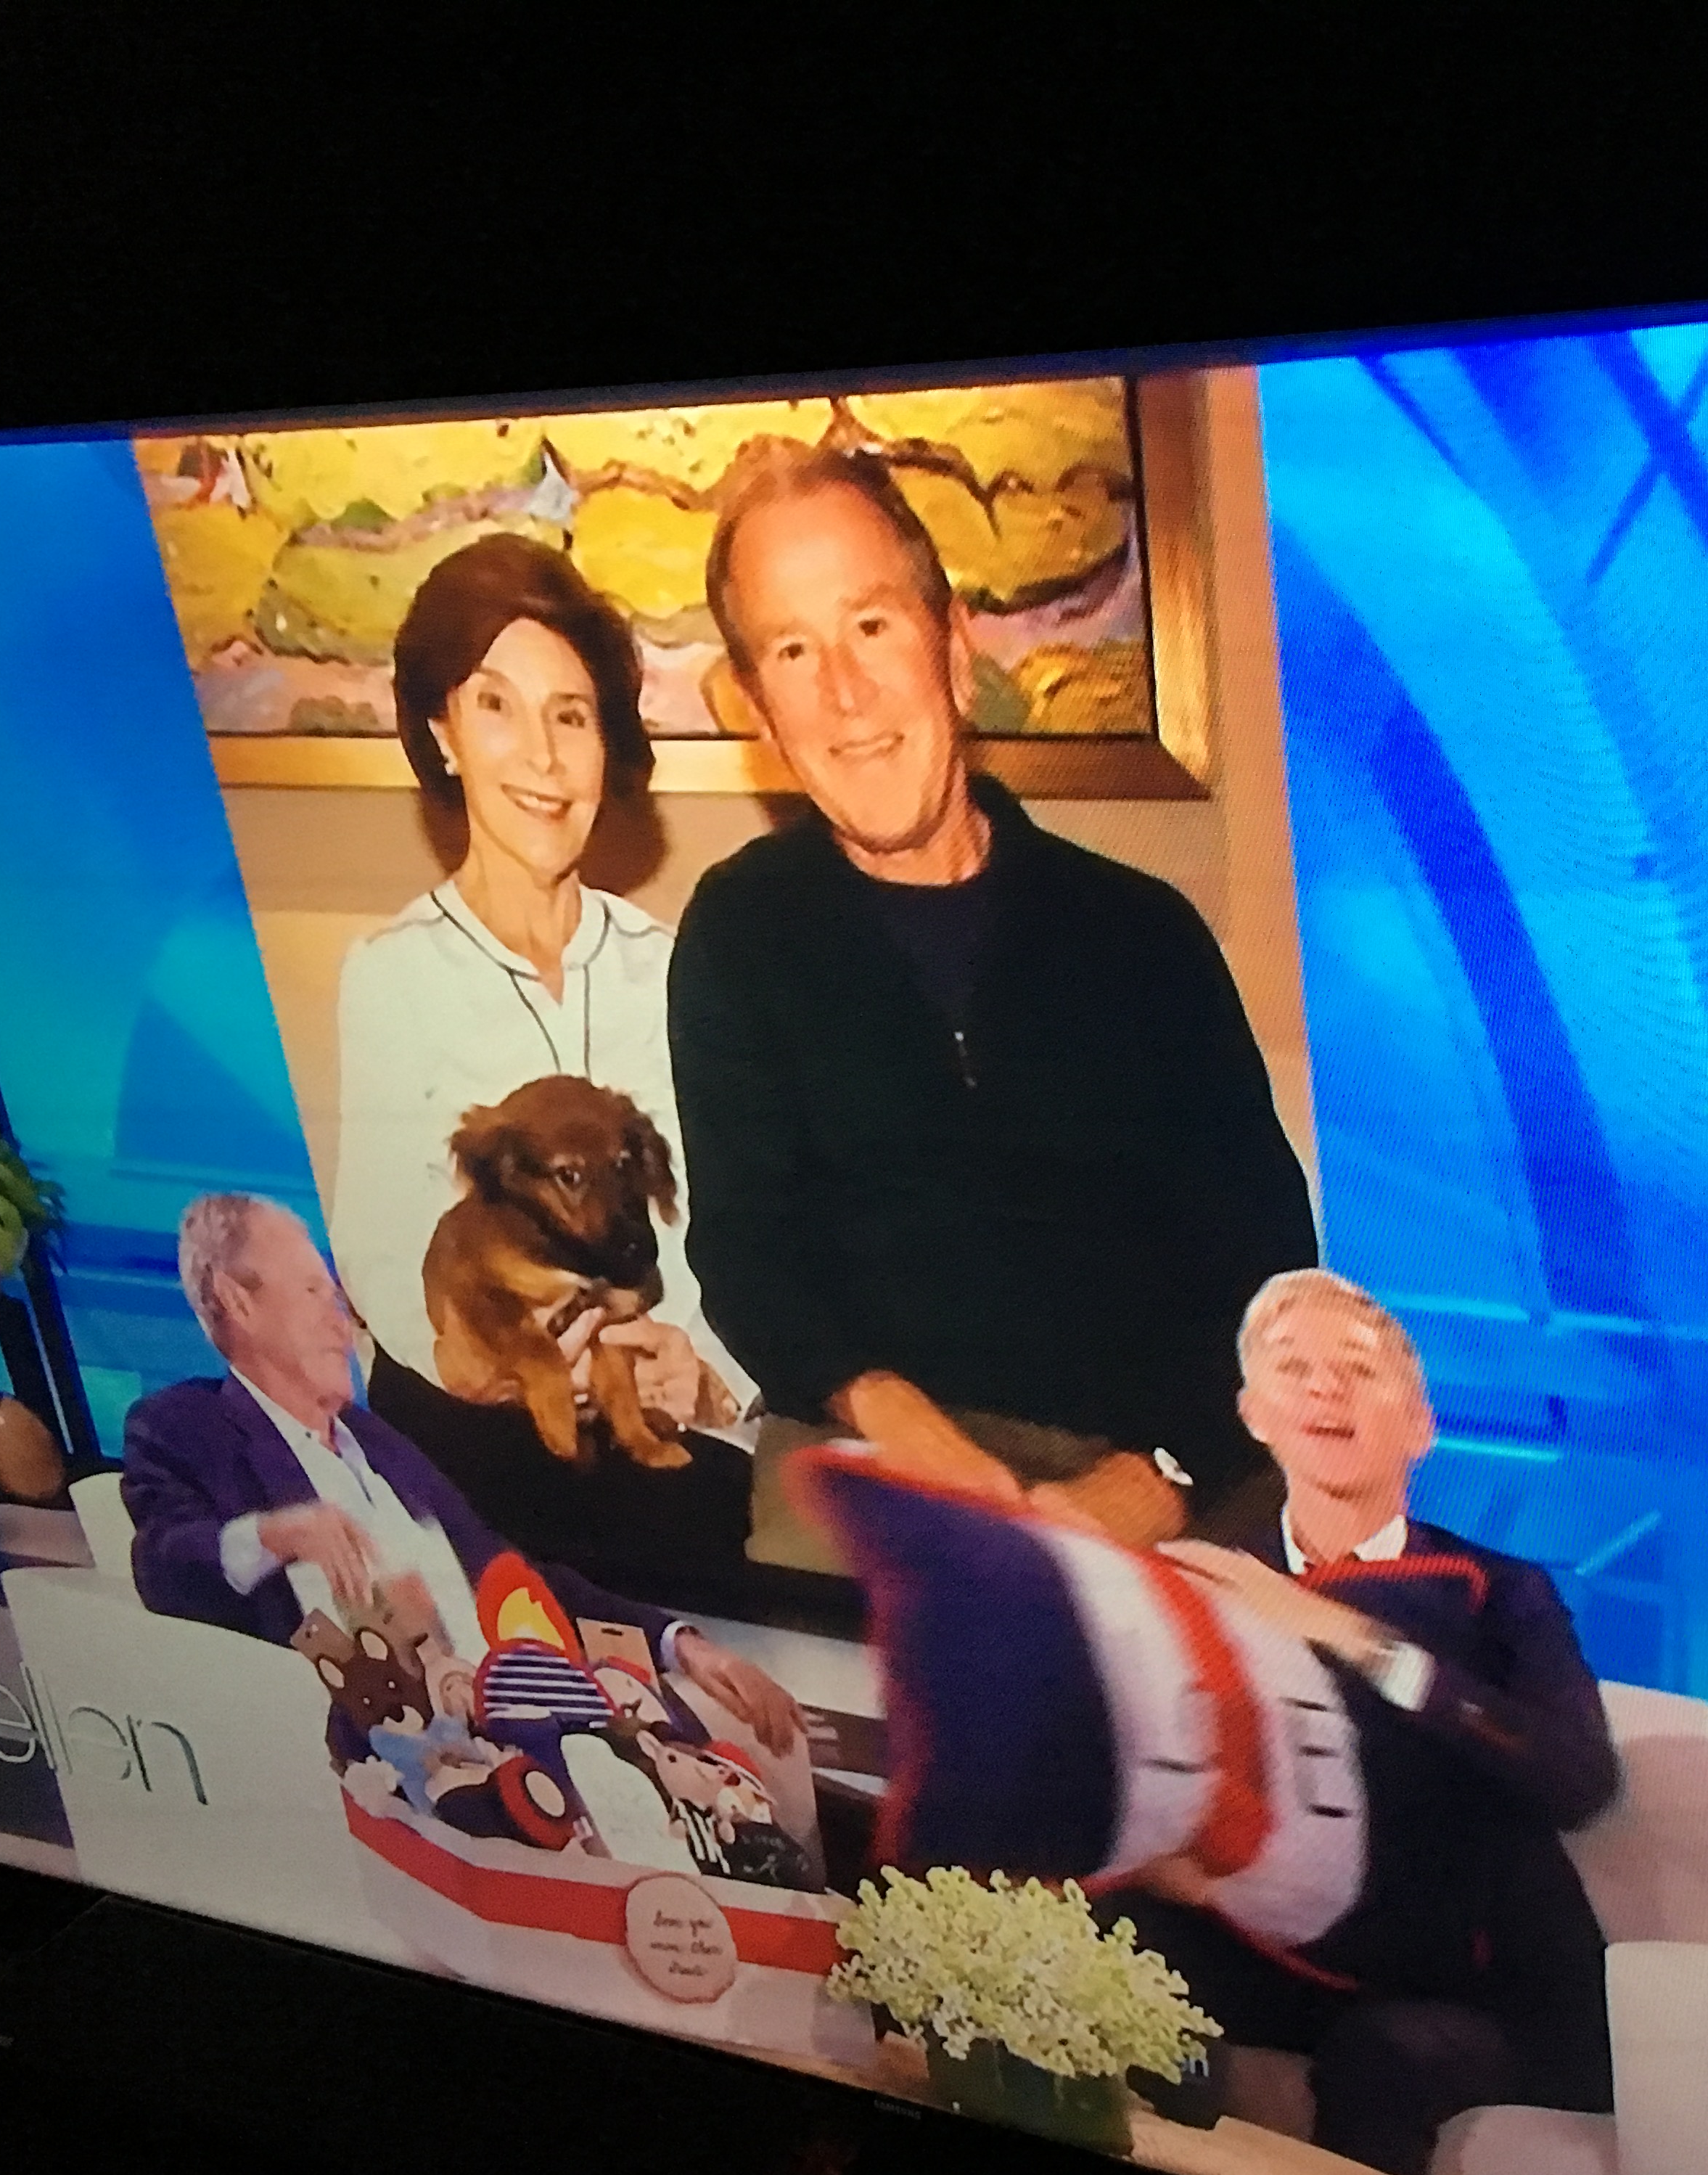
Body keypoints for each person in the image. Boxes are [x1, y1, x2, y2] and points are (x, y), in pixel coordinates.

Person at [668, 441, 1321, 1560]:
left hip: (1154, 1472)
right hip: (870, 1459)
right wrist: (904, 1426)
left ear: (955, 650)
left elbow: (1265, 1267)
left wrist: (1161, 1475)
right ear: (761, 712)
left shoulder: (1143, 935)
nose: (844, 691)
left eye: (872, 625)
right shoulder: (739, 930)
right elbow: (747, 1252)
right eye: (792, 649)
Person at [1118, 1269, 1619, 2175]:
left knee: (1383, 2053)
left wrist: (1349, 1637)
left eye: (1357, 1369)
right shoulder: (1202, 1580)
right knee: (1112, 1946)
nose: (1325, 1389)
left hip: (1483, 1987)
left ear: (1420, 1426)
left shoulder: (1502, 1593)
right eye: (1292, 1368)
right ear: (1254, 1413)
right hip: (1288, 1957)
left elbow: (1579, 1779)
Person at [331, 532, 755, 1601]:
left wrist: (704, 1367)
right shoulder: (391, 974)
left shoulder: (678, 969)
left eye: (571, 716)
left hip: (661, 1445)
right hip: (476, 1450)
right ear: (442, 734)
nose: (542, 757)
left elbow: (730, 1230)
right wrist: (470, 1357)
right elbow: (380, 1244)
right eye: (497, 706)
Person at [120, 1192, 797, 1757]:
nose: (340, 1320)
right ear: (237, 1302)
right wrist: (278, 1535)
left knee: (728, 1769)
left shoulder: (379, 1441)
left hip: (534, 1716)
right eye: (312, 1291)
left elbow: (512, 1577)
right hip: (413, 1761)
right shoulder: (185, 1427)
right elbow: (164, 1566)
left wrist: (680, 1645)